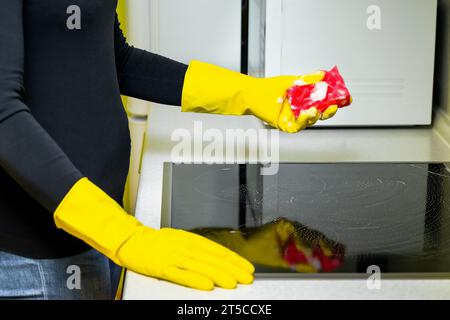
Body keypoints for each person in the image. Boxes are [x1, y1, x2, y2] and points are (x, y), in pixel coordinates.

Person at [0, 1, 339, 300]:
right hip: (36, 261)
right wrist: (125, 236)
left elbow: (117, 58)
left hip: (95, 234)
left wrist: (248, 93)